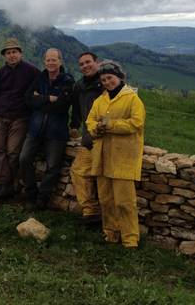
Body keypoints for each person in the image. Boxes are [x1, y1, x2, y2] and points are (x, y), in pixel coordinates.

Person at [86, 60, 145, 249]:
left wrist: (110, 125)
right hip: (102, 158)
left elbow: (136, 123)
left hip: (124, 159)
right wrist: (96, 129)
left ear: (119, 77)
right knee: (106, 200)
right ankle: (110, 234)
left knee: (125, 202)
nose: (107, 82)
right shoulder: (100, 100)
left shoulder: (132, 99)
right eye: (103, 79)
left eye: (110, 78)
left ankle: (130, 239)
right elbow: (90, 121)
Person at [19, 48, 75, 209]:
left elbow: (62, 105)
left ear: (60, 61)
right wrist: (48, 98)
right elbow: (28, 99)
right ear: (44, 61)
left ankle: (42, 198)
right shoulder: (39, 78)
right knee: (24, 159)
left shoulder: (68, 80)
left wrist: (39, 100)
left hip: (56, 132)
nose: (51, 63)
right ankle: (31, 193)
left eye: (54, 60)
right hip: (35, 129)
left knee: (53, 167)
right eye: (48, 60)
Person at [0, 38, 40, 200]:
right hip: (1, 118)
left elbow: (43, 83)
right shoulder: (0, 73)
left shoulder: (31, 71)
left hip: (20, 118)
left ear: (20, 53)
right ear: (4, 56)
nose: (11, 55)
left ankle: (7, 185)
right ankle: (5, 183)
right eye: (8, 53)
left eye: (14, 52)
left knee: (13, 151)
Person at [69, 51, 103, 224]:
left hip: (107, 140)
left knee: (105, 179)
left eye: (88, 62)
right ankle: (91, 212)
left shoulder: (106, 82)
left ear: (97, 62)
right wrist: (74, 126)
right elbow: (76, 110)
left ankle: (111, 219)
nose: (85, 66)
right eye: (81, 64)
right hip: (88, 139)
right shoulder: (79, 86)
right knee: (78, 171)